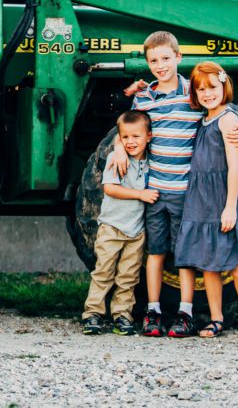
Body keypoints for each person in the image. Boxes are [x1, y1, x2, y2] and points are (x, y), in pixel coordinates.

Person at [110, 30, 238, 338]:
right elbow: (128, 127)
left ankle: (185, 312)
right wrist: (120, 146)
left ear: (179, 58)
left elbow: (221, 110)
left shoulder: (192, 93)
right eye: (153, 60)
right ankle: (153, 310)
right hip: (155, 191)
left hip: (187, 194)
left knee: (185, 255)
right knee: (156, 251)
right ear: (147, 63)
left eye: (165, 59)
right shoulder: (144, 97)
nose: (160, 65)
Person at [174, 62, 238, 338]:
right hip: (201, 199)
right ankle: (216, 319)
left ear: (224, 87)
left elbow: (235, 166)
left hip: (223, 198)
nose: (206, 94)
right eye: (200, 89)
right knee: (208, 263)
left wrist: (230, 207)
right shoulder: (204, 119)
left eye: (212, 88)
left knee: (236, 261)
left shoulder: (228, 120)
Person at [81, 111, 159, 336]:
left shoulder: (150, 162)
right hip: (112, 228)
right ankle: (92, 314)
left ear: (149, 137)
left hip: (136, 232)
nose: (130, 142)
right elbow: (110, 189)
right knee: (104, 272)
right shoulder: (118, 160)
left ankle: (122, 315)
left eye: (136, 137)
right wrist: (140, 194)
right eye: (125, 137)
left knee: (128, 276)